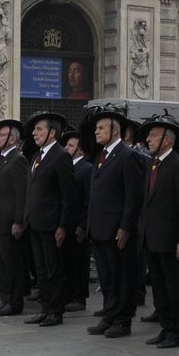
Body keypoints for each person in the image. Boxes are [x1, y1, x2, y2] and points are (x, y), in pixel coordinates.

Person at [85, 107, 147, 338]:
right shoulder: (101, 155)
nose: (97, 131)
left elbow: (133, 196)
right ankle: (109, 315)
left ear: (115, 130)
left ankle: (122, 320)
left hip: (118, 230)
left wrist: (125, 227)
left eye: (101, 128)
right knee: (107, 276)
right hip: (100, 228)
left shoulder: (128, 155)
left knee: (122, 277)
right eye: (96, 128)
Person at [139, 115, 179, 349]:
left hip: (170, 239)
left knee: (174, 287)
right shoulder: (153, 163)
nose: (148, 139)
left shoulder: (178, 165)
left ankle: (178, 331)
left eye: (153, 135)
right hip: (152, 237)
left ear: (167, 139)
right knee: (159, 287)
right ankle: (166, 326)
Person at [22, 112, 75, 326]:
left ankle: (56, 311)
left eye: (39, 129)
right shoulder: (37, 156)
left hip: (52, 224)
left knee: (54, 270)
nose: (34, 133)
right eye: (34, 130)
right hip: (35, 223)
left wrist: (63, 225)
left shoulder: (61, 155)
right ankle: (45, 309)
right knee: (42, 271)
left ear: (52, 133)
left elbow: (68, 194)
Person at [0, 119, 31, 316]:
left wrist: (19, 220)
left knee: (11, 263)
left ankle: (14, 301)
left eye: (2, 135)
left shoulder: (18, 159)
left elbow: (22, 194)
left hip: (9, 223)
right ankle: (5, 298)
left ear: (12, 139)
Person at [64, 130, 93, 313]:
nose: (67, 148)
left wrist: (83, 225)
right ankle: (68, 294)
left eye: (71, 146)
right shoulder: (67, 166)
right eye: (66, 145)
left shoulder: (86, 168)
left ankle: (79, 297)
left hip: (78, 224)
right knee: (68, 262)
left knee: (78, 262)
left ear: (80, 151)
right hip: (66, 223)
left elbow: (88, 199)